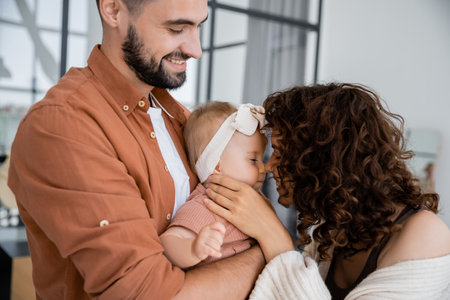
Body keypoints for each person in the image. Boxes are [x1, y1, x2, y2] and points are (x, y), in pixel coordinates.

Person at [7, 0, 265, 299]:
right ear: (113, 10)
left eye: (198, 27)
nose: (196, 50)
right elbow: (145, 294)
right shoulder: (62, 126)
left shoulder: (180, 118)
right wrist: (270, 250)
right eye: (176, 28)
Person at [205, 83, 450, 299]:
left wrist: (273, 235)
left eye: (279, 153)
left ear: (320, 159)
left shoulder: (425, 233)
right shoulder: (335, 228)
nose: (269, 166)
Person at [160, 102, 266, 268]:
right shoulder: (208, 204)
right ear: (217, 165)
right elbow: (168, 243)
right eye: (253, 159)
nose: (263, 168)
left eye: (262, 158)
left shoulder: (256, 200)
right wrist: (193, 248)